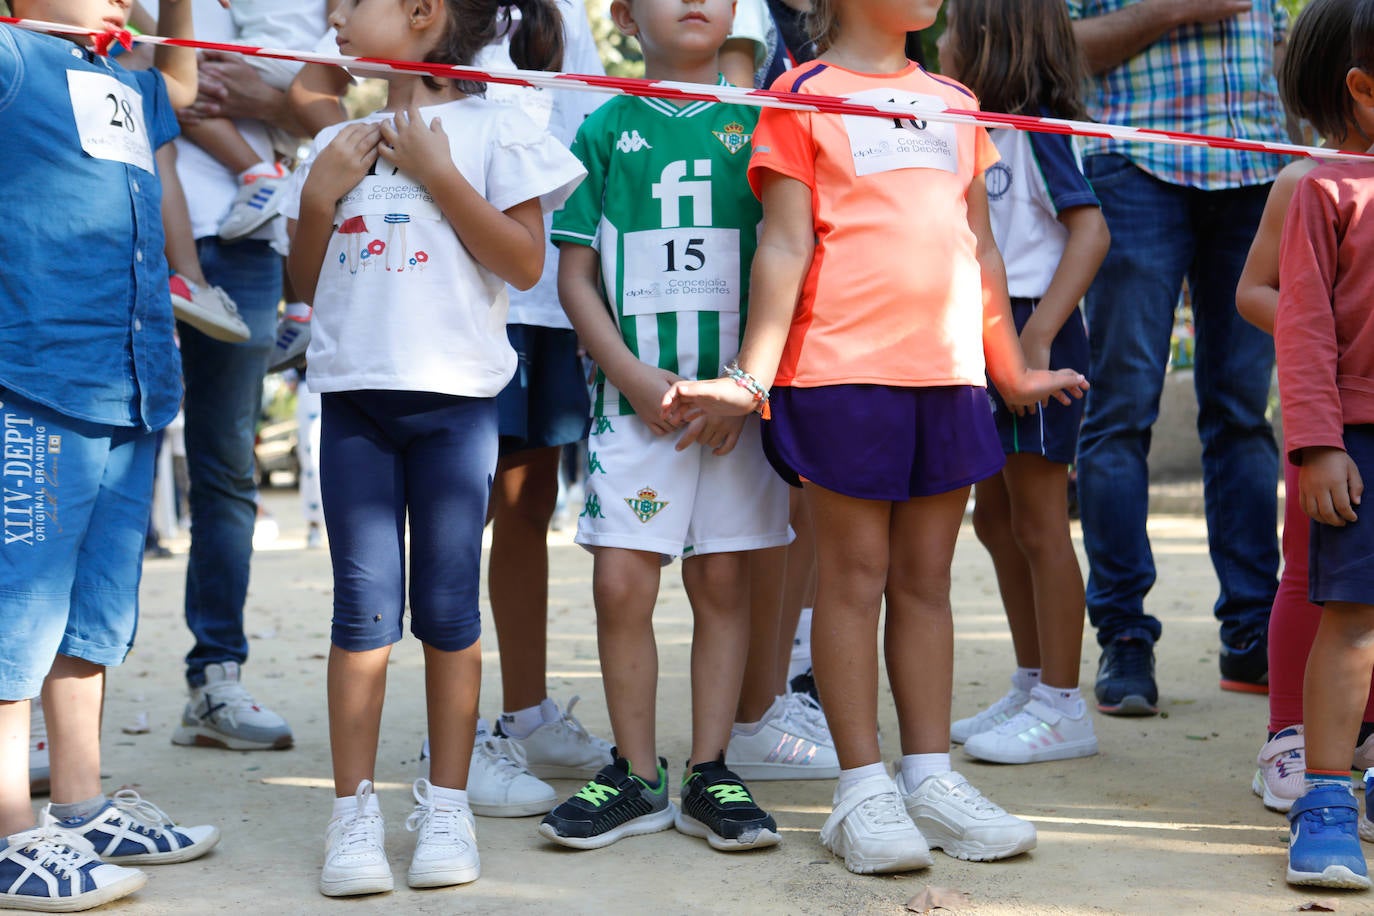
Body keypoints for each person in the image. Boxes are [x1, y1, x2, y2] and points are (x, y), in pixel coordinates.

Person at [664, 0, 1088, 874]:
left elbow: (980, 248)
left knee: (927, 581)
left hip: (949, 376)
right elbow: (781, 247)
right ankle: (862, 791)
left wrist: (1009, 368)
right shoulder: (799, 94)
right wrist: (752, 375)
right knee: (852, 582)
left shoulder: (958, 102)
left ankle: (928, 778)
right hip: (839, 374)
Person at [285, 0, 584, 896]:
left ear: (421, 14)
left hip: (456, 408)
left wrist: (439, 176)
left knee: (451, 612)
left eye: (354, 1)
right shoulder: (338, 140)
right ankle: (353, 820)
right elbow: (307, 283)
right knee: (361, 614)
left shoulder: (499, 126)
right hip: (354, 407)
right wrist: (314, 195)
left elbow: (526, 264)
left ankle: (447, 808)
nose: (333, 14)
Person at [538, 0, 793, 853]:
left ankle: (711, 768)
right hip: (635, 408)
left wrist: (740, 391)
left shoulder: (763, 123)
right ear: (622, 14)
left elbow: (789, 261)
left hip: (733, 414)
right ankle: (637, 773)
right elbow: (575, 276)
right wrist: (632, 376)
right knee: (621, 583)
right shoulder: (603, 126)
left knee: (722, 585)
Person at [0, 2, 222, 910]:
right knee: (17, 616)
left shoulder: (133, 79)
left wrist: (196, 284)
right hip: (36, 375)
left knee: (95, 612)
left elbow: (167, 170)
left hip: (133, 375)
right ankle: (13, 831)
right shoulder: (12, 57)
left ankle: (81, 807)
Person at [1068, 0, 1287, 714]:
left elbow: (1286, 53)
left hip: (1259, 169)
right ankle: (1124, 636)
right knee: (1122, 407)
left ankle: (1254, 633)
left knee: (1243, 414)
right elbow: (1060, 48)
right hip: (1135, 164)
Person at [937, 0, 1109, 764]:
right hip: (986, 330)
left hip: (1033, 330)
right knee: (994, 519)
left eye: (951, 29)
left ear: (989, 43)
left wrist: (1036, 340)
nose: (938, 41)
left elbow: (1091, 230)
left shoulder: (1036, 129)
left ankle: (1065, 706)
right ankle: (1034, 680)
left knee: (1040, 520)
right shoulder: (973, 131)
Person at [159, 0, 331, 754]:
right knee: (90, 460)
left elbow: (317, 119)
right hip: (128, 224)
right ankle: (31, 704)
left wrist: (272, 101)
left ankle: (215, 678)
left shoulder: (285, 12)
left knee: (227, 466)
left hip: (246, 248)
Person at [1235, 0, 1374, 816]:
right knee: (1315, 583)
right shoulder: (1308, 182)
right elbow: (1258, 289)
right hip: (1335, 420)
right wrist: (1312, 322)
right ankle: (1289, 735)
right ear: (1355, 87)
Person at [481, 0, 619, 796]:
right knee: (456, 513)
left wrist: (591, 287)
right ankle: (454, 733)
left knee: (529, 505)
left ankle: (525, 714)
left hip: (547, 297)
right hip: (465, 292)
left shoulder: (568, 11)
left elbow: (587, 127)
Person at [1274, 0, 1374, 887]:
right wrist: (1317, 444)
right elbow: (1301, 329)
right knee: (1351, 623)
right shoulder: (1325, 191)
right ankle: (1326, 796)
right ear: (1365, 93)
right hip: (1359, 442)